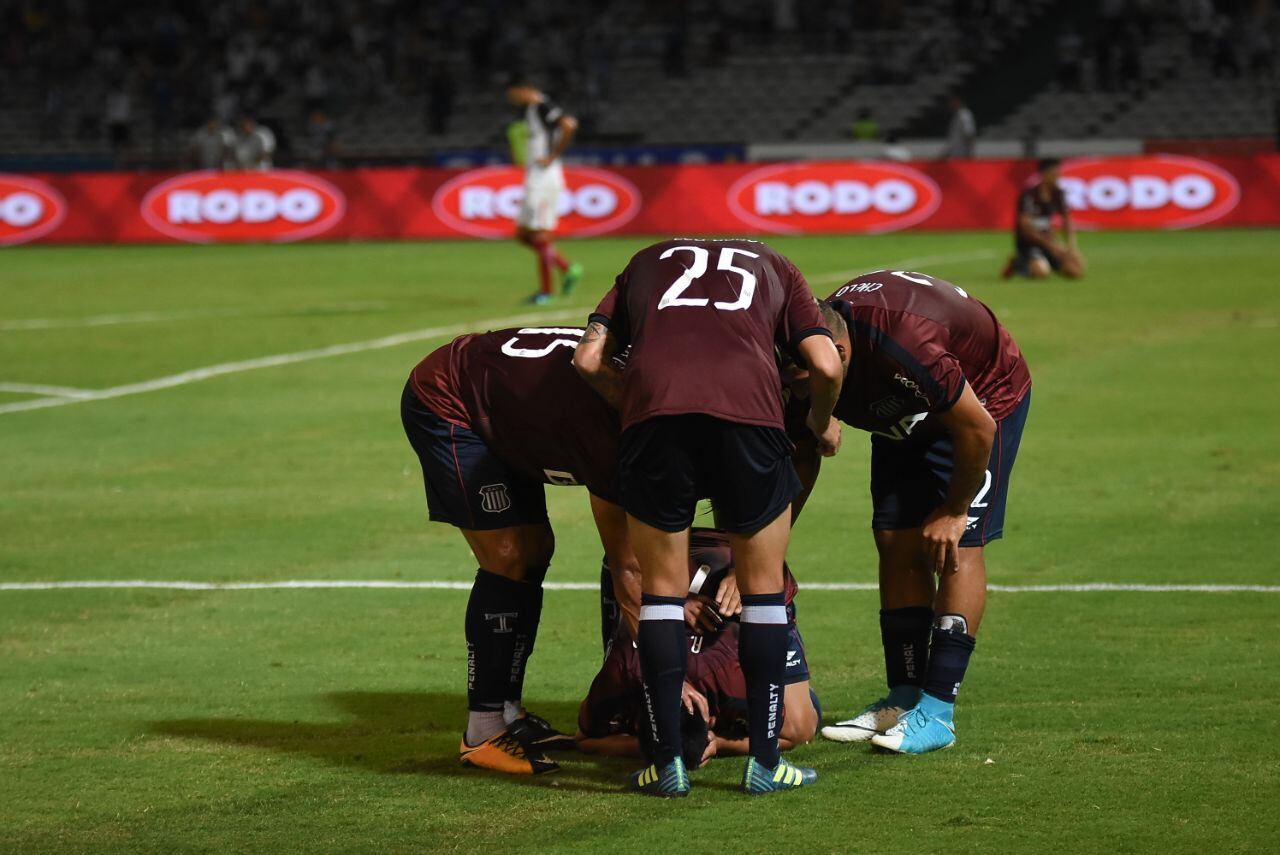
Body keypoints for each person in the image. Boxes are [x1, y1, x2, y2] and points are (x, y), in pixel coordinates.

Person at [573, 238, 844, 797]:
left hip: (656, 422)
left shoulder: (643, 262)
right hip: (750, 418)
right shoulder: (776, 264)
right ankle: (767, 764)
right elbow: (824, 362)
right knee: (763, 596)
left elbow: (588, 359)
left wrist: (642, 404)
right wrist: (819, 421)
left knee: (663, 597)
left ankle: (667, 763)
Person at [790, 269, 1030, 755]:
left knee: (954, 546)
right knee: (895, 541)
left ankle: (938, 711)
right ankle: (903, 698)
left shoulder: (906, 342)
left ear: (837, 357)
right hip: (903, 410)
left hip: (980, 405)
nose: (803, 388)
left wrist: (955, 509)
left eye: (808, 381)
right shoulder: (810, 339)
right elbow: (800, 447)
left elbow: (977, 429)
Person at [401, 326, 642, 775]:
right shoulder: (612, 426)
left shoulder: (638, 390)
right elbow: (627, 565)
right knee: (509, 556)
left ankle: (509, 712)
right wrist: (669, 679)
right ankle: (483, 731)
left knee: (537, 549)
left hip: (511, 405)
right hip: (452, 399)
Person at [578, 529, 820, 767]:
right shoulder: (621, 673)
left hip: (731, 556)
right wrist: (718, 745)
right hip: (655, 546)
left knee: (801, 723)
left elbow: (792, 733)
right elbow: (584, 740)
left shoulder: (733, 681)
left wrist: (740, 571)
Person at [505, 78, 583, 305]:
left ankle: (546, 292)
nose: (512, 99)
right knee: (523, 235)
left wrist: (552, 156)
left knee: (540, 234)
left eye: (514, 93)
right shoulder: (531, 110)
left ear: (525, 90)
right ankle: (568, 268)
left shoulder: (541, 106)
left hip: (544, 179)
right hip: (535, 178)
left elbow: (569, 124)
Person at [1001, 157, 1086, 280]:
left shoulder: (1058, 194)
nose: (1057, 177)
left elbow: (1067, 222)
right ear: (1044, 174)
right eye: (1054, 174)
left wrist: (1071, 248)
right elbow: (1026, 230)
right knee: (1041, 273)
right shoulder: (1029, 196)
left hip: (1049, 242)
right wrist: (1052, 246)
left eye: (1058, 173)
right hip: (1030, 244)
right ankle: (1017, 263)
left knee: (1075, 271)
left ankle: (1045, 262)